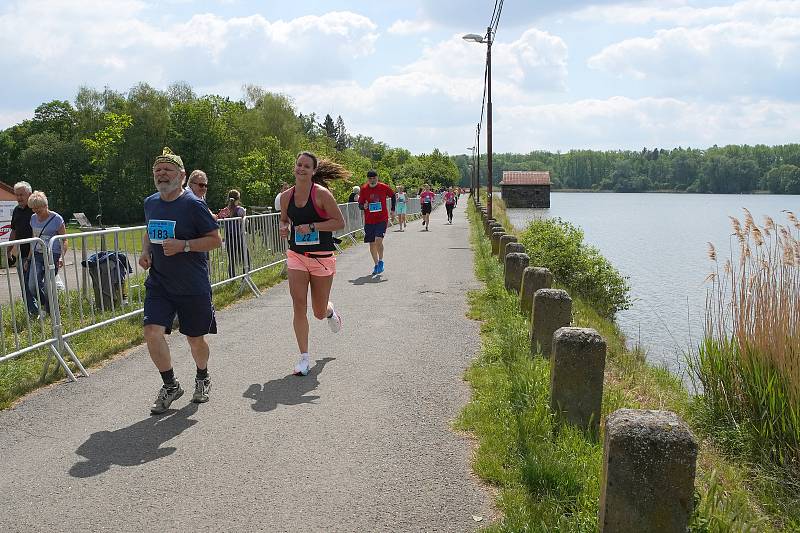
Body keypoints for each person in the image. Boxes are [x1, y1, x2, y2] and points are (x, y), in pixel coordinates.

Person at [140, 147, 222, 415]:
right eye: (158, 170)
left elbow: (215, 240)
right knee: (152, 332)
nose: (162, 174)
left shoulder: (194, 204)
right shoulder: (150, 202)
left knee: (195, 339)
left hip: (192, 284)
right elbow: (149, 229)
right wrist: (145, 252)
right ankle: (170, 385)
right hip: (160, 283)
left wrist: (184, 245)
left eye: (168, 170)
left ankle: (202, 376)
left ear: (182, 175)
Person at [279, 151, 346, 376]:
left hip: (321, 258)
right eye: (299, 165)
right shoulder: (287, 196)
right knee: (299, 304)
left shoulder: (322, 195)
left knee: (318, 311)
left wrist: (314, 227)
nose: (301, 169)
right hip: (297, 256)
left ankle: (330, 312)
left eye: (307, 166)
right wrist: (282, 226)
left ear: (313, 171)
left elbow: (340, 222)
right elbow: (284, 219)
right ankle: (304, 358)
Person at [26, 191, 67, 315]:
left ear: (46, 205)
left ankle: (52, 312)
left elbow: (64, 240)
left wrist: (61, 257)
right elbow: (34, 238)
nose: (36, 211)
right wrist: (28, 259)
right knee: (32, 285)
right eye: (33, 208)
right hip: (37, 254)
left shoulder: (57, 219)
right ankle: (48, 304)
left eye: (38, 208)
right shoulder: (33, 218)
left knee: (49, 285)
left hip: (52, 255)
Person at [7, 181, 39, 317]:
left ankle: (48, 308)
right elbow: (14, 231)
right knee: (25, 286)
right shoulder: (16, 210)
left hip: (37, 254)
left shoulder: (36, 209)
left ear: (29, 194)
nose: (19, 198)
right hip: (22, 254)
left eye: (21, 195)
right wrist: (9, 250)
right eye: (17, 195)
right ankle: (34, 312)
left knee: (36, 285)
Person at [358, 170, 395, 275]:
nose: (372, 180)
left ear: (377, 178)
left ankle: (381, 260)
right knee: (372, 243)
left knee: (378, 240)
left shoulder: (383, 187)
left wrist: (392, 210)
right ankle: (376, 264)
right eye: (370, 178)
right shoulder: (364, 189)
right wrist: (363, 206)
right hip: (369, 220)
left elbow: (393, 196)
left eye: (374, 178)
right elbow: (360, 204)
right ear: (367, 179)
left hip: (381, 219)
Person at [217, 189, 248, 279]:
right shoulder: (240, 210)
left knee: (232, 259)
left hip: (229, 237)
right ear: (238, 199)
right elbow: (245, 223)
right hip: (239, 237)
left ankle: (232, 278)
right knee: (245, 257)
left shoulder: (225, 211)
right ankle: (245, 277)